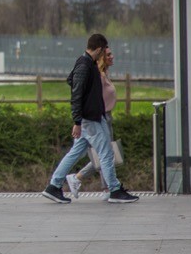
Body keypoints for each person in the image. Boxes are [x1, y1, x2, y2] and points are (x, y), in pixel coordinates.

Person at [42, 33, 138, 204]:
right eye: (104, 52)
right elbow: (76, 94)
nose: (105, 55)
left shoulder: (89, 64)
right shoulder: (84, 65)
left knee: (75, 153)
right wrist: (77, 122)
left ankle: (54, 185)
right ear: (99, 49)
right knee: (106, 153)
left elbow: (72, 82)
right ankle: (114, 190)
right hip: (89, 119)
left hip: (93, 117)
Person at [65, 46, 117, 198]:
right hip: (97, 117)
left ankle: (105, 186)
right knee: (106, 153)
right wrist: (79, 119)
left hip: (105, 115)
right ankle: (106, 187)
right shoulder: (97, 76)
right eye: (108, 54)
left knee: (104, 153)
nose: (112, 56)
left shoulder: (105, 74)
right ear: (101, 57)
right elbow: (76, 87)